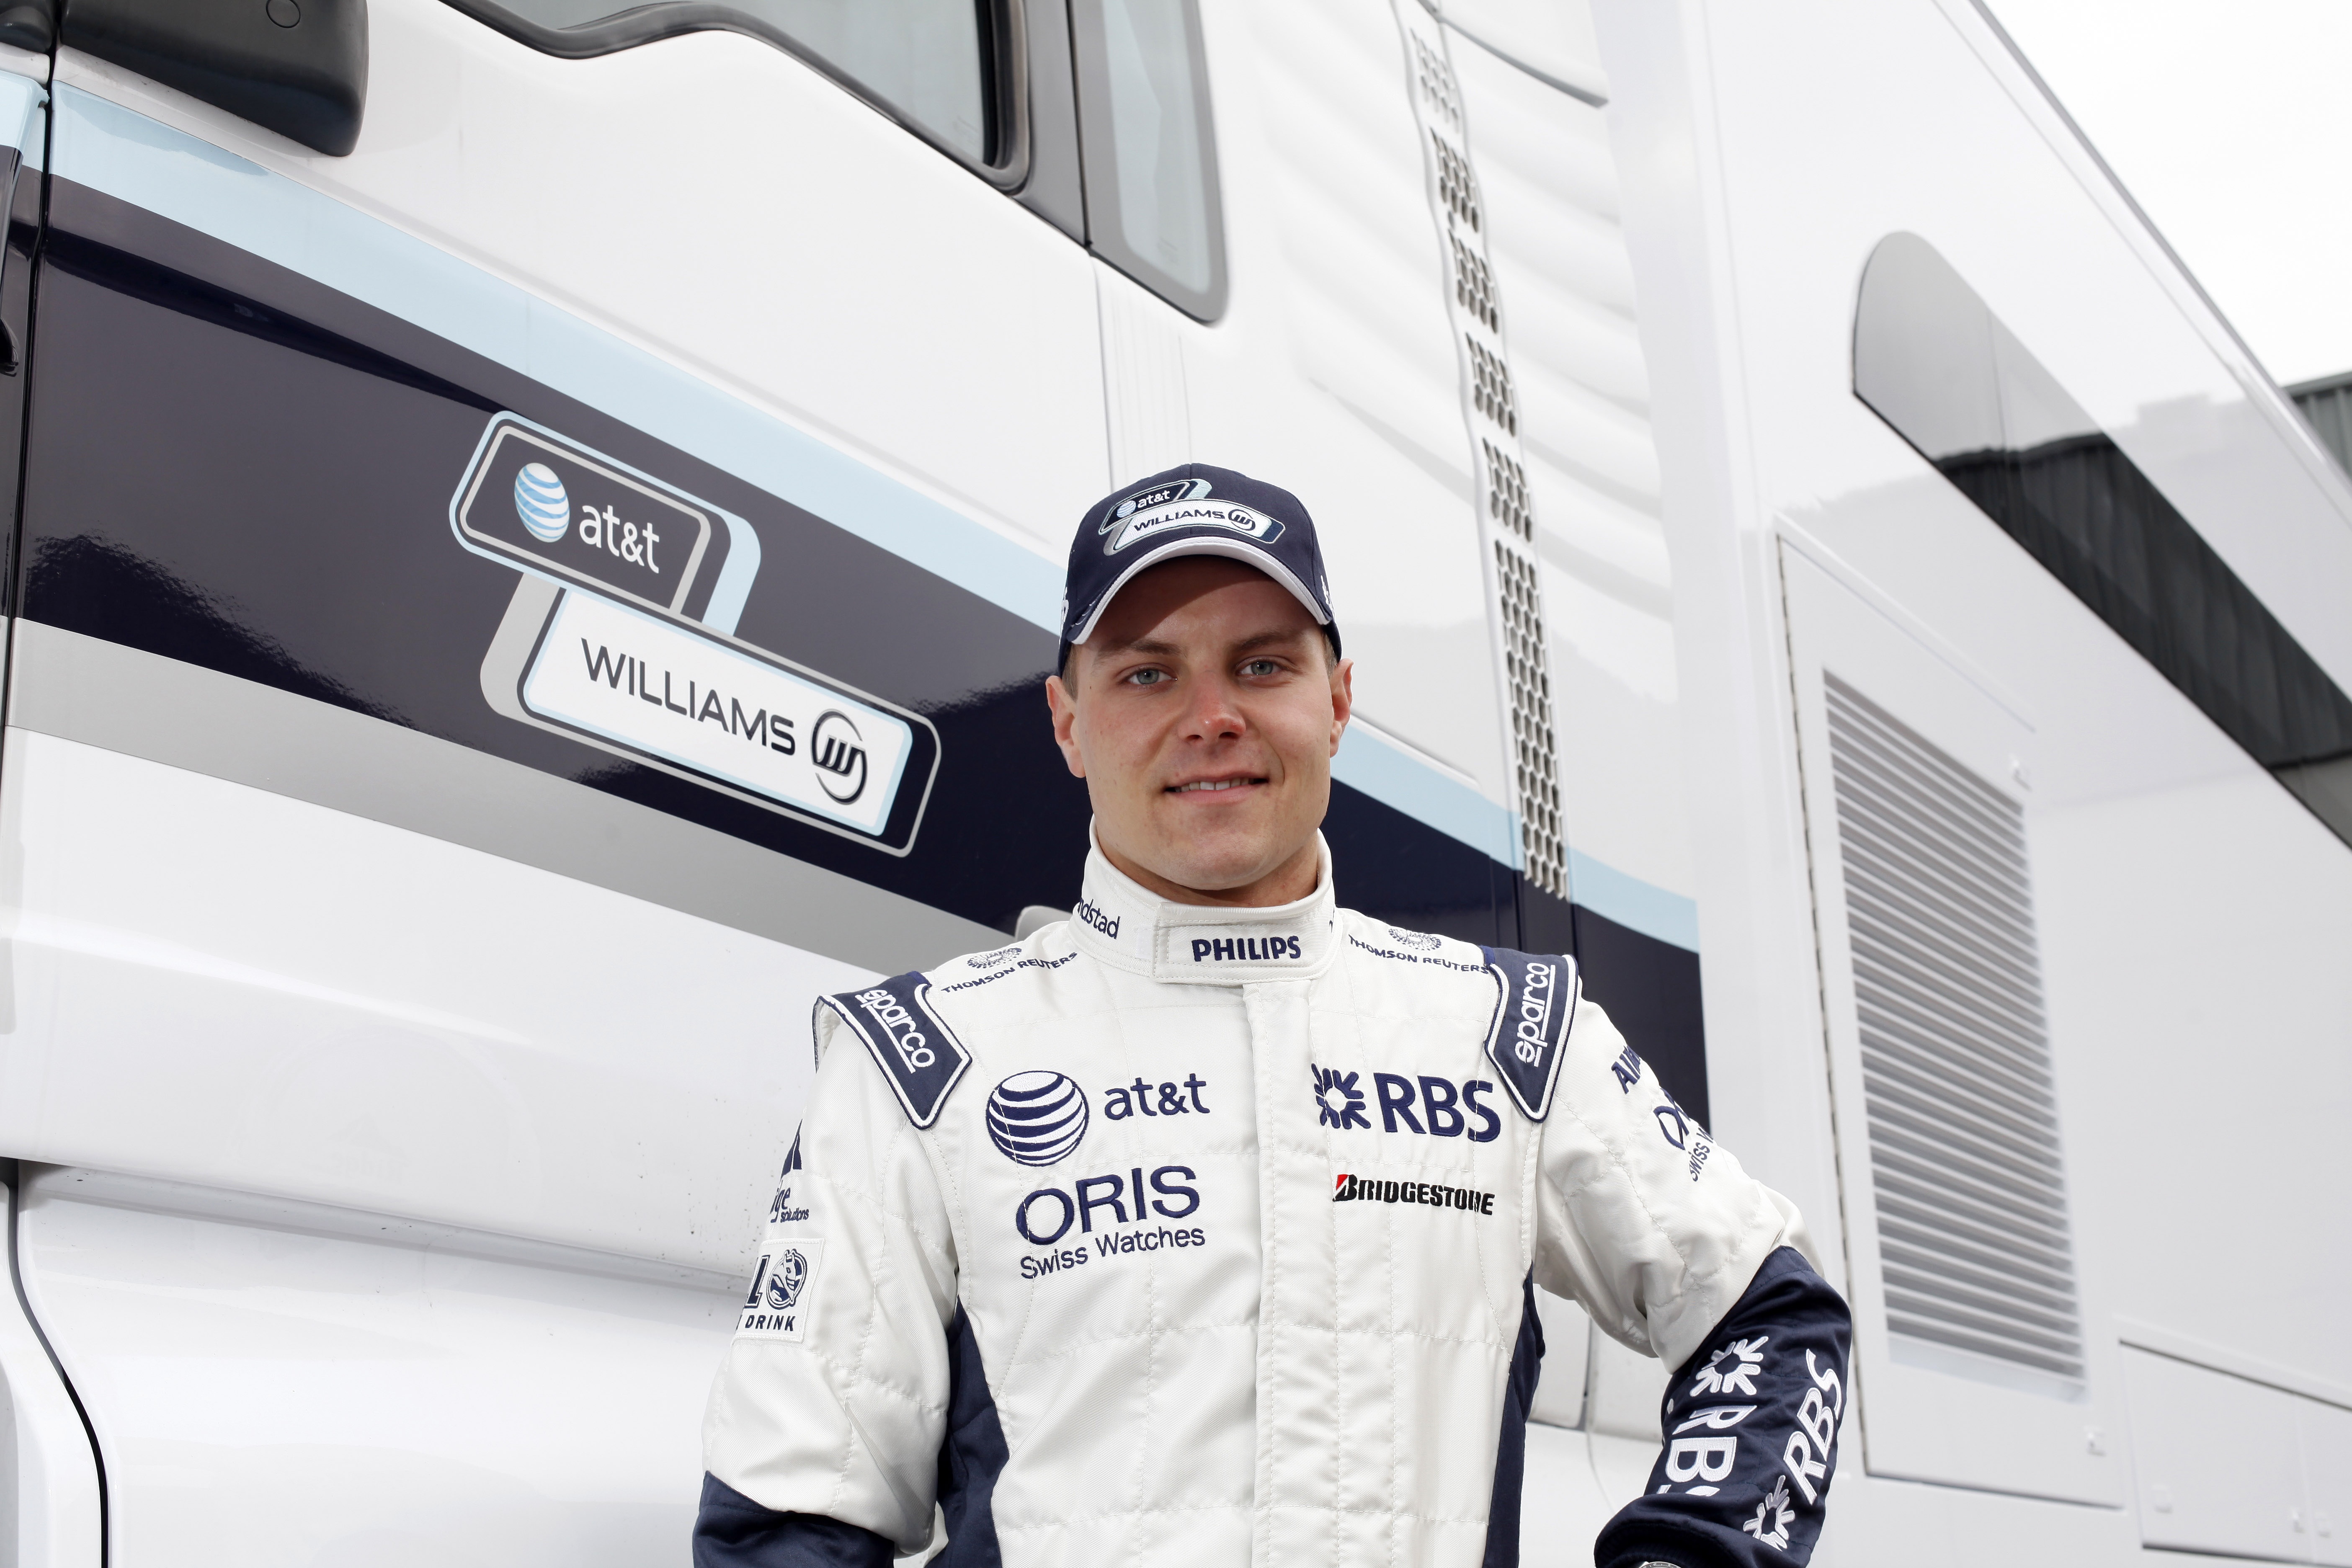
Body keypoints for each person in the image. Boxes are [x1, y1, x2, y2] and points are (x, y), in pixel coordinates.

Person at [693, 465, 1851, 1568]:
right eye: (1147, 675)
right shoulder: (919, 1063)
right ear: (1067, 722)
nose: (1212, 717)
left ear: (1336, 702)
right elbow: (791, 1517)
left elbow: (1773, 1316)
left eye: (1261, 666)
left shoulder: (1509, 1034)